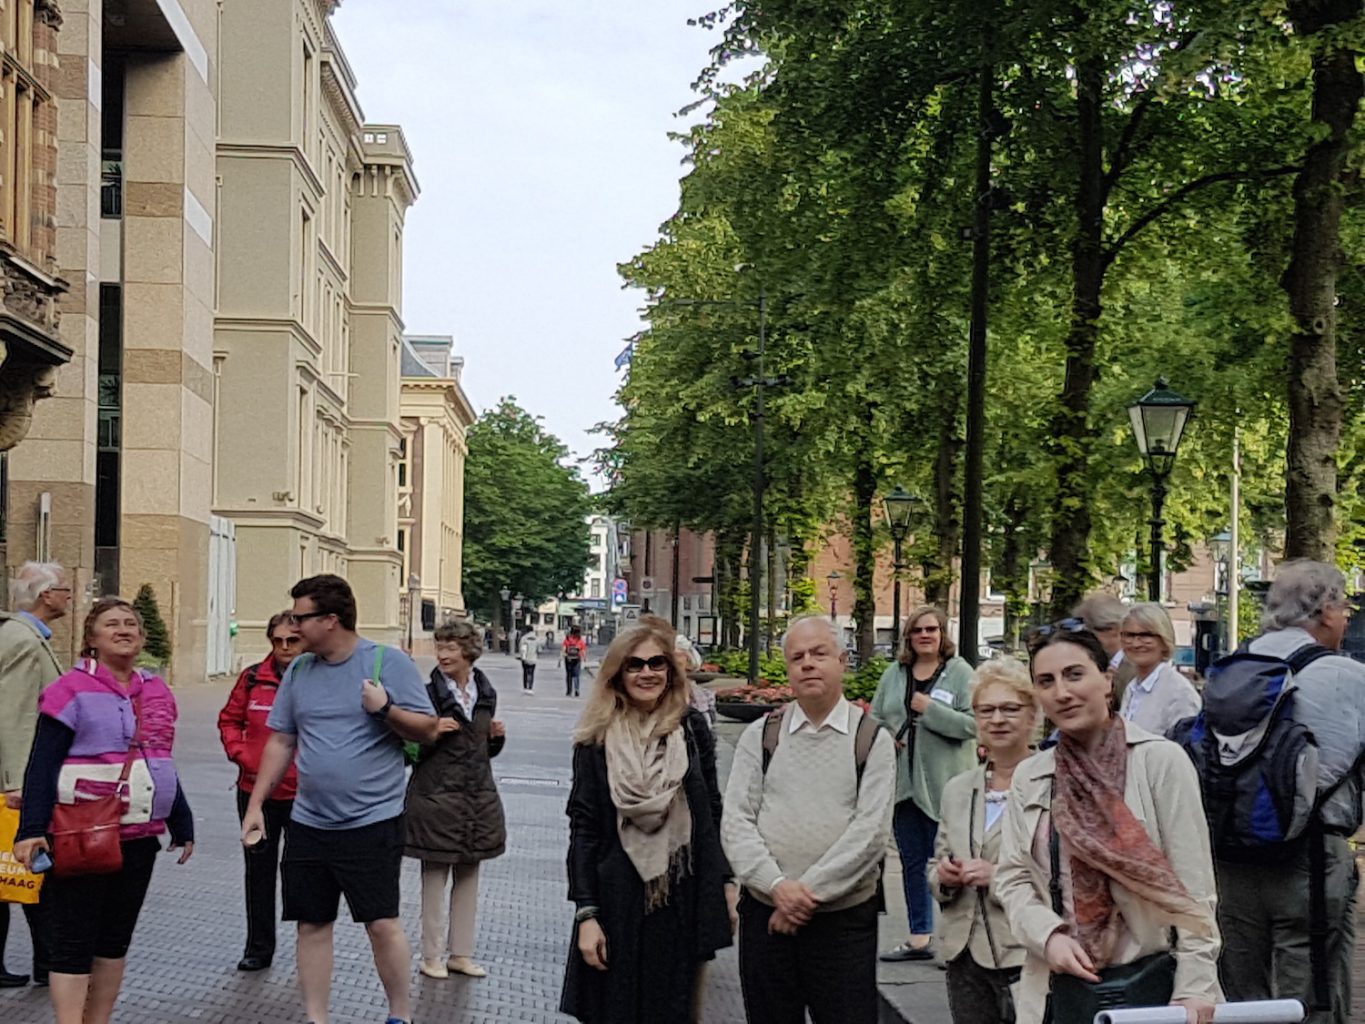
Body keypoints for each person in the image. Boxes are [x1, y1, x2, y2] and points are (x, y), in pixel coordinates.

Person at [994, 622, 1220, 1024]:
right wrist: (1049, 936)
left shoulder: (1158, 761)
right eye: (1046, 682)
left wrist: (1195, 986)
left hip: (1154, 989)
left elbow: (1195, 888)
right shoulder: (1033, 775)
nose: (1062, 692)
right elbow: (1012, 878)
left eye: (1074, 675)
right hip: (1058, 988)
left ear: (1106, 680)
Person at [239, 574, 439, 1024]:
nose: (293, 627)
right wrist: (256, 805)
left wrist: (385, 709)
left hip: (372, 821)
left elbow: (428, 730)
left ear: (330, 620)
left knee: (380, 923)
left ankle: (400, 1015)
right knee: (311, 923)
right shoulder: (300, 671)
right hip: (309, 821)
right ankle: (316, 1018)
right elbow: (281, 740)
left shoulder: (387, 663)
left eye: (300, 618)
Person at [13, 597, 195, 1024]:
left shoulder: (157, 690)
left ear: (142, 637)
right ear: (91, 638)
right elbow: (43, 763)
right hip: (81, 832)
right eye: (111, 624)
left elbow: (159, 760)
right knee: (74, 942)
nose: (123, 630)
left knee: (114, 942)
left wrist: (181, 820)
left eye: (131, 623)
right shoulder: (69, 690)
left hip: (139, 835)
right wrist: (31, 828)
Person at [722, 615, 896, 1024]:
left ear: (842, 661)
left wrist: (805, 895)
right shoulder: (761, 736)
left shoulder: (871, 740)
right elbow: (736, 822)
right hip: (766, 917)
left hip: (842, 922)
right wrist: (776, 887)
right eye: (797, 657)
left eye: (819, 654)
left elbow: (870, 835)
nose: (808, 664)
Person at [560, 620, 734, 1023]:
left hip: (681, 901)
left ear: (671, 671)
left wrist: (726, 882)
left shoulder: (690, 729)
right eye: (634, 665)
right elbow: (584, 828)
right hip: (616, 902)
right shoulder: (596, 739)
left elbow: (711, 809)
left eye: (657, 663)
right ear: (618, 674)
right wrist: (586, 913)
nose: (647, 673)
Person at [1219, 560, 1365, 1022]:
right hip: (1310, 861)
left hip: (1231, 860)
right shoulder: (1346, 676)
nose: (1346, 619)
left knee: (1242, 1001)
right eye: (1344, 608)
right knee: (1312, 1000)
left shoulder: (1233, 666)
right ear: (1324, 611)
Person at [931, 658, 1036, 1024]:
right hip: (963, 954)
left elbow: (1062, 878)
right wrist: (944, 877)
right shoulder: (958, 789)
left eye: (1010, 709)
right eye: (986, 710)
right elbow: (937, 862)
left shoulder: (1051, 785)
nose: (997, 719)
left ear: (1032, 715)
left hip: (1026, 954)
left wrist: (997, 876)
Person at [871, 606, 977, 962]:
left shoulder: (961, 673)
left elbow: (973, 725)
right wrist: (887, 735)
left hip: (946, 787)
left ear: (943, 634)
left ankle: (957, 942)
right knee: (912, 863)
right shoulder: (894, 674)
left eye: (931, 629)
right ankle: (919, 938)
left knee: (951, 865)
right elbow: (876, 718)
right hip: (904, 787)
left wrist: (930, 710)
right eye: (917, 630)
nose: (924, 636)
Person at [405, 619, 507, 980]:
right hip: (435, 799)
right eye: (440, 647)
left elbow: (479, 753)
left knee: (469, 877)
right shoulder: (425, 695)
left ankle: (461, 954)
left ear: (469, 652)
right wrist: (430, 732)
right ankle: (431, 955)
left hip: (477, 800)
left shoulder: (485, 694)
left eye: (450, 648)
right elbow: (408, 751)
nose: (442, 655)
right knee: (434, 880)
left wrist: (495, 739)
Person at [217, 610, 303, 972]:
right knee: (259, 872)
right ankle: (258, 947)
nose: (284, 647)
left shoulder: (317, 679)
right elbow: (229, 719)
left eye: (292, 640)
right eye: (277, 640)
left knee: (301, 873)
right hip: (256, 792)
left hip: (303, 794)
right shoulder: (253, 678)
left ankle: (308, 947)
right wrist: (242, 755)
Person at [0, 561, 67, 988]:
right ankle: (48, 961)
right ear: (46, 595)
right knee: (25, 868)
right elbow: (14, 714)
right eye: (65, 589)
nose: (70, 596)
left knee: (25, 870)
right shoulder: (23, 640)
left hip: (18, 778)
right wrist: (17, 782)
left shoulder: (26, 636)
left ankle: (47, 960)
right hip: (17, 783)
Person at [1117, 602, 1201, 736]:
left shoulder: (1179, 693)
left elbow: (1186, 744)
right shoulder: (1132, 688)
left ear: (1164, 640)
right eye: (1129, 635)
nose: (1136, 643)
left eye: (1145, 636)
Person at [1073, 592, 1137, 706]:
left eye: (1089, 632)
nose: (1084, 640)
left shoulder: (1135, 670)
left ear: (1115, 629)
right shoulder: (1093, 664)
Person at [562, 625, 588, 697]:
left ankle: (569, 691)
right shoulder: (580, 640)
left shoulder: (567, 639)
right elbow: (583, 650)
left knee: (569, 675)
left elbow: (564, 649)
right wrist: (584, 657)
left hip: (568, 659)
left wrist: (563, 656)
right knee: (576, 675)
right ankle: (577, 689)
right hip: (577, 659)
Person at [518, 627, 539, 692]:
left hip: (525, 658)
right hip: (533, 658)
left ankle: (525, 687)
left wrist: (522, 656)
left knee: (525, 672)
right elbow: (539, 649)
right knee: (531, 673)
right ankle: (530, 687)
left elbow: (521, 648)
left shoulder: (524, 638)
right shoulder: (536, 638)